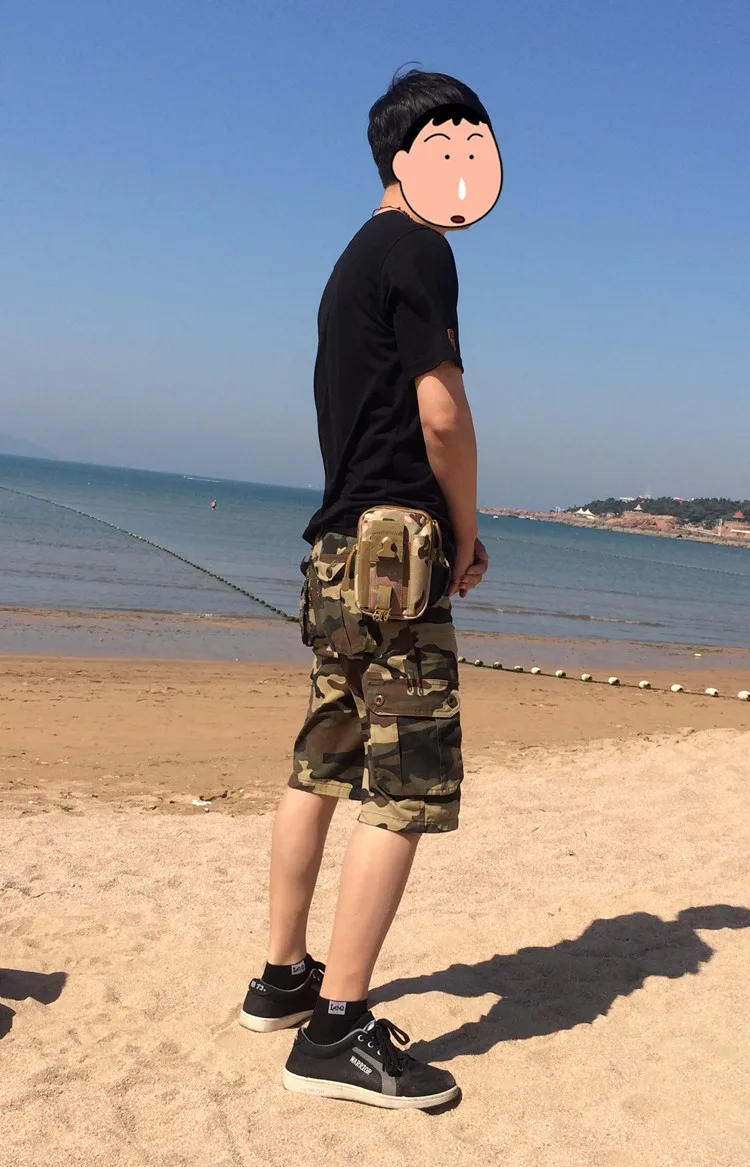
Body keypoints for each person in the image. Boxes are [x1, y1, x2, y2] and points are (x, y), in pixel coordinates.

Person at [239, 68, 502, 1109]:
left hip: (337, 549)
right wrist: (467, 533)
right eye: (459, 149)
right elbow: (442, 415)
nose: (473, 171)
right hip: (398, 552)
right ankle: (338, 1027)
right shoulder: (419, 250)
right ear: (409, 158)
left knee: (323, 758)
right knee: (408, 785)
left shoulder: (351, 259)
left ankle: (284, 976)